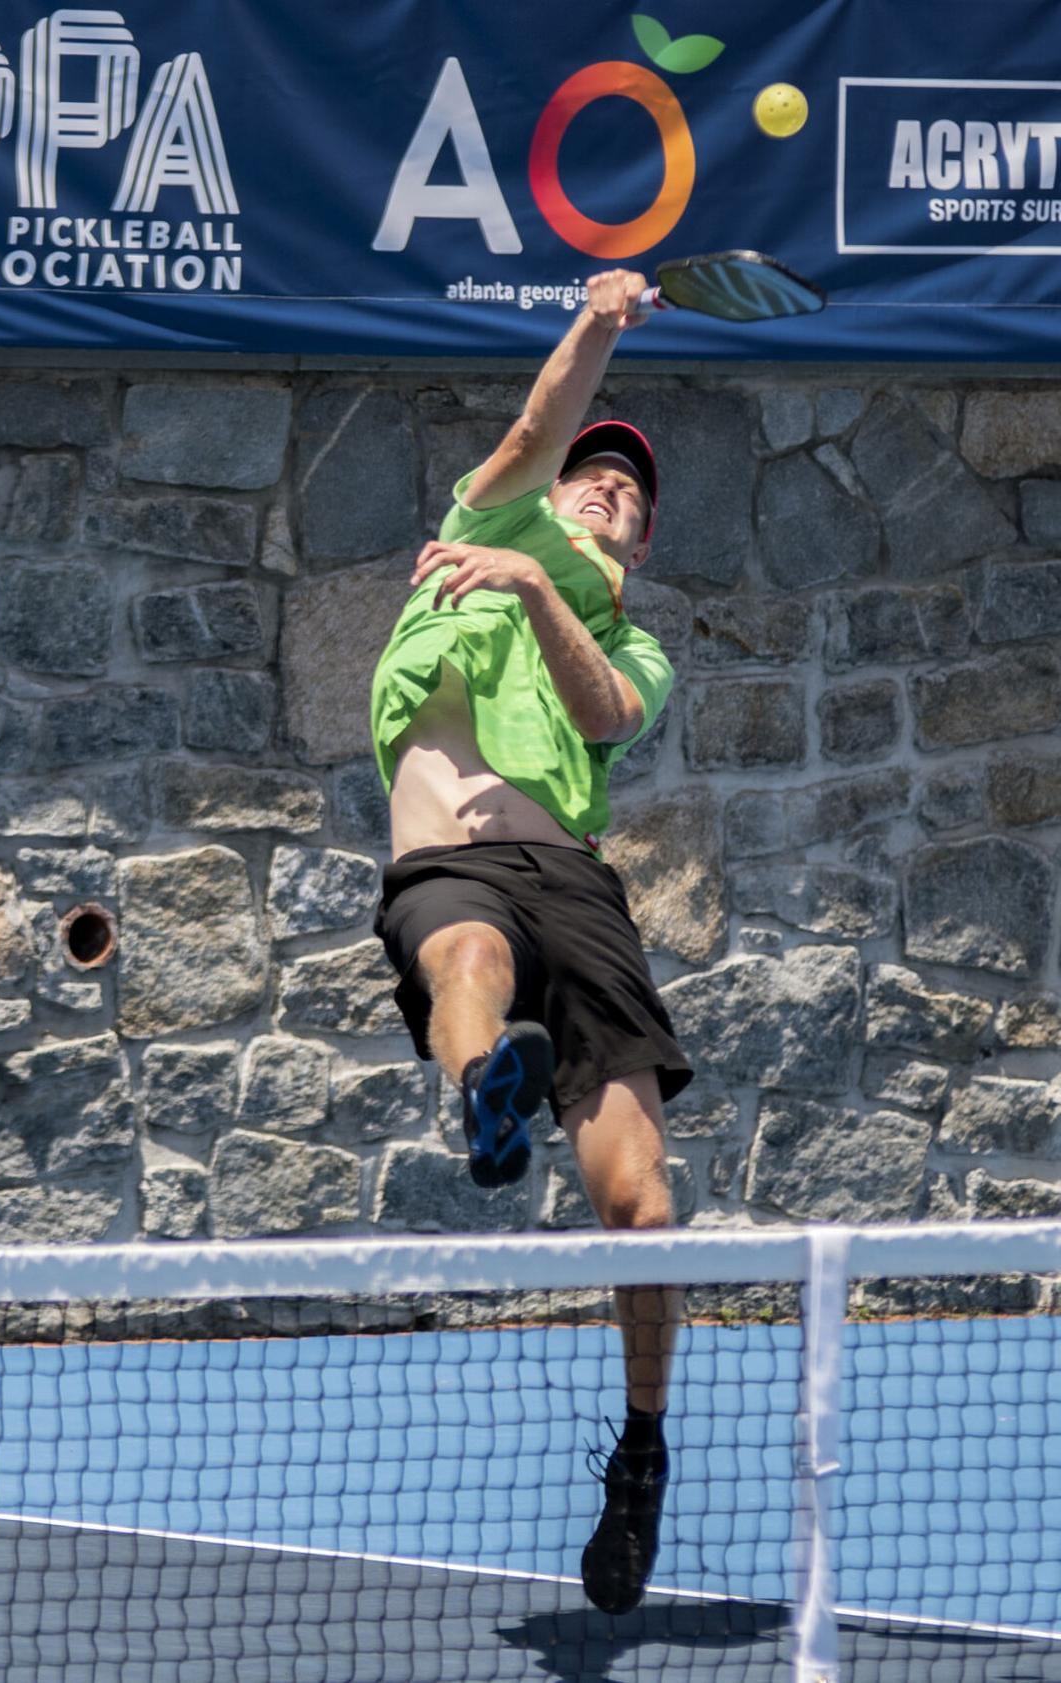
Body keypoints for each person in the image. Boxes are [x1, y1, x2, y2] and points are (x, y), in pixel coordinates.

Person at [370, 268, 693, 1616]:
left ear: (639, 539)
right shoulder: (489, 511)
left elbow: (609, 711)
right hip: (448, 859)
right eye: (593, 476)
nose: (609, 486)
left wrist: (534, 581)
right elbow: (534, 424)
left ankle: (640, 1449)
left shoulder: (635, 637)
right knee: (466, 968)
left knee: (641, 1206)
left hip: (576, 884)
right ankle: (483, 1099)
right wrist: (600, 321)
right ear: (550, 490)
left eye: (631, 491)